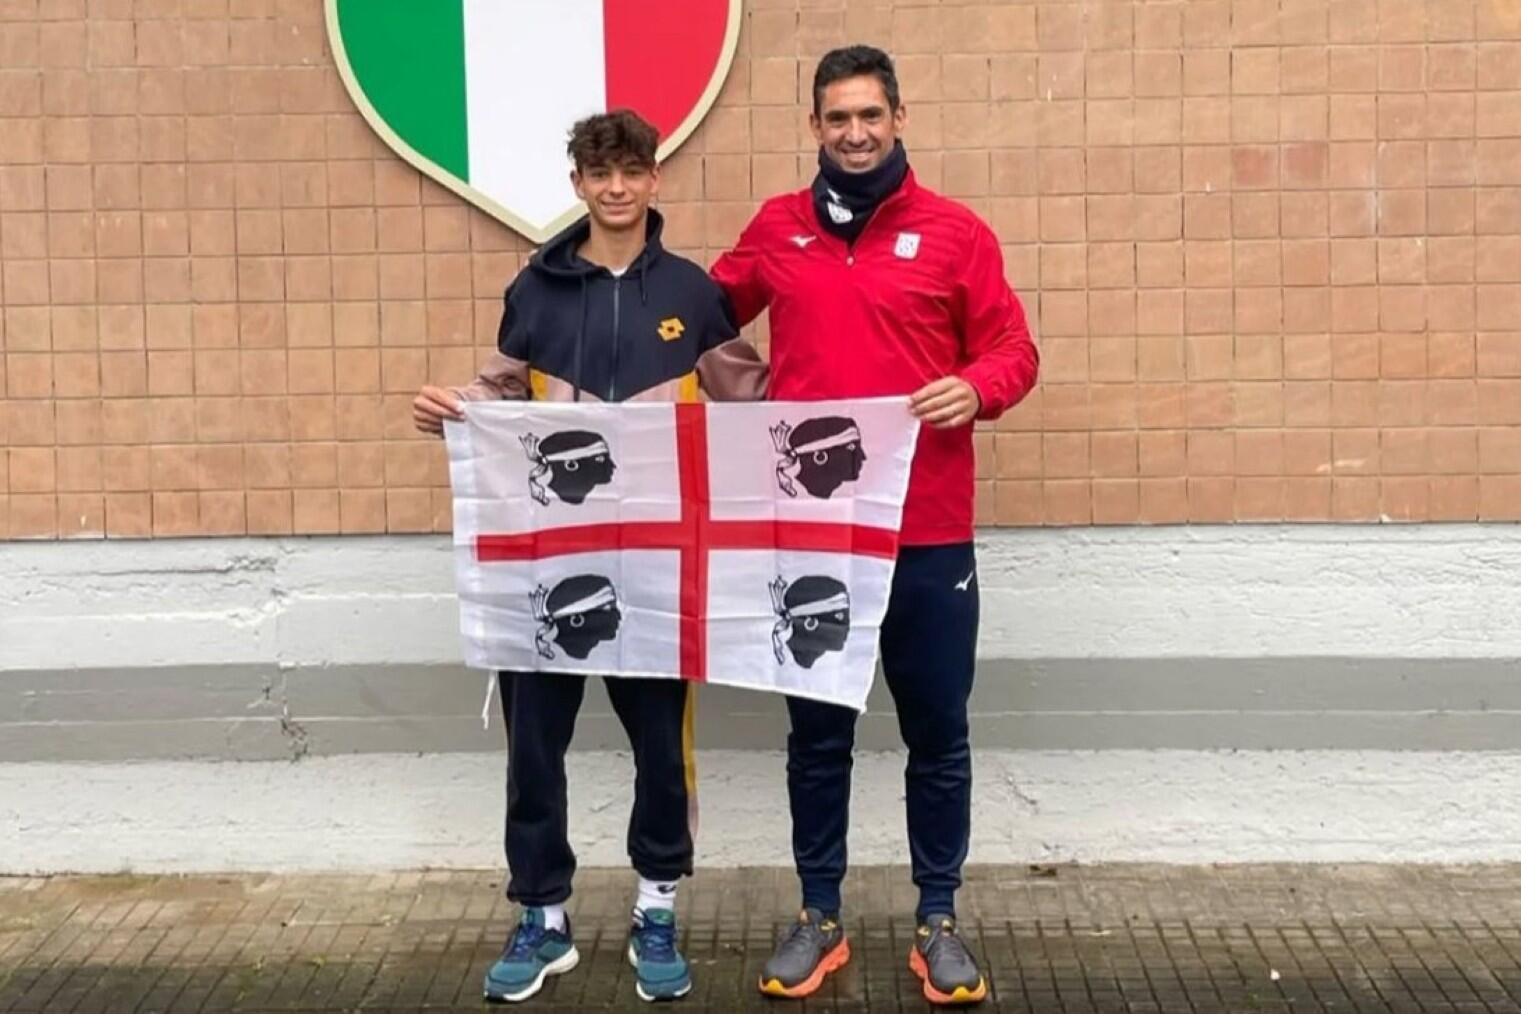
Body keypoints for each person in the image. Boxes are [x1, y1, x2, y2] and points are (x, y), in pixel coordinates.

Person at [710, 45, 1039, 1006]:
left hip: (926, 534)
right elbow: (689, 316)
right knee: (817, 736)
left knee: (937, 732)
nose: (854, 134)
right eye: (836, 118)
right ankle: (819, 915)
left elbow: (1014, 348)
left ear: (898, 119)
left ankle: (938, 919)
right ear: (813, 126)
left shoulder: (954, 233)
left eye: (869, 116)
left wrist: (975, 387)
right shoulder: (776, 229)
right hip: (812, 535)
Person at [413, 109, 766, 1004]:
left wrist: (853, 412)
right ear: (577, 183)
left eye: (630, 171)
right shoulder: (534, 288)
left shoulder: (692, 292)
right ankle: (543, 917)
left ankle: (657, 909)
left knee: (661, 749)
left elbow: (753, 406)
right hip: (547, 566)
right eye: (598, 173)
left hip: (654, 569)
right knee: (535, 748)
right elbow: (500, 391)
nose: (615, 188)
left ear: (654, 179)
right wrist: (452, 407)